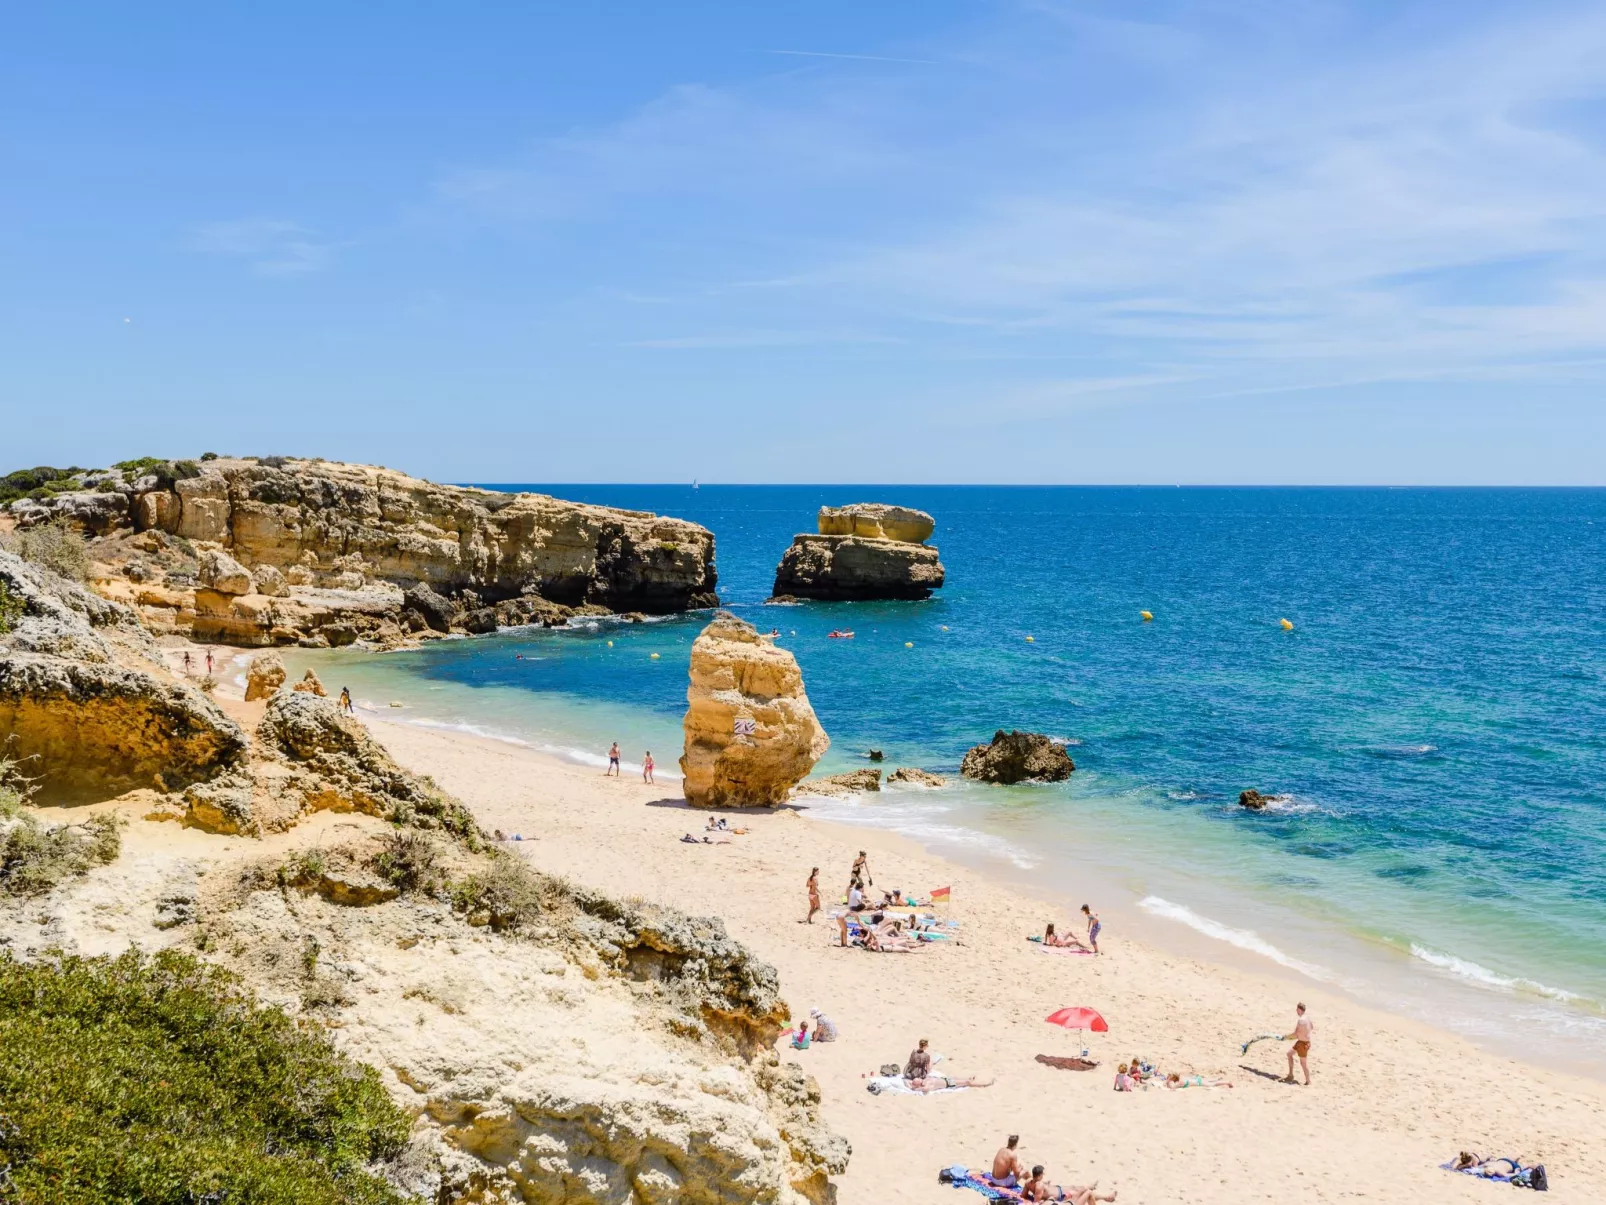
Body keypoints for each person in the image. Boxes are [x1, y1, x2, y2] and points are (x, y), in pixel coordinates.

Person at [1021, 1167, 1116, 1204]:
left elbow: (1024, 1195)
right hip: (1061, 1196)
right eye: (1042, 1174)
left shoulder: (1028, 1181)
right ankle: (1106, 1197)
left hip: (1058, 1190)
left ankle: (1101, 1194)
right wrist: (1044, 1199)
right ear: (1039, 1175)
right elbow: (1036, 1202)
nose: (1043, 1175)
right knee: (1082, 1190)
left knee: (1077, 1188)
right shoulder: (1039, 1186)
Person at [1283, 1002, 1313, 1085]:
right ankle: (1290, 1075)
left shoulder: (1301, 1020)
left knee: (1303, 1063)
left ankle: (1308, 1081)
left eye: (1297, 1009)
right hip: (1302, 1042)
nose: (1296, 1011)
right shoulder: (1307, 1018)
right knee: (1289, 1054)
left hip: (1303, 1044)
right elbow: (1311, 1027)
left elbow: (1295, 1034)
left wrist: (1286, 1037)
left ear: (1300, 1010)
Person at [1164, 1072, 1233, 1089]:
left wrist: (1168, 1082)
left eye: (1168, 1078)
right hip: (1197, 1079)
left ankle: (1227, 1082)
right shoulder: (1181, 1077)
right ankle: (1218, 1079)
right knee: (1210, 1081)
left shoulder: (1180, 1082)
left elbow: (1172, 1087)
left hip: (1198, 1082)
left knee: (1213, 1084)